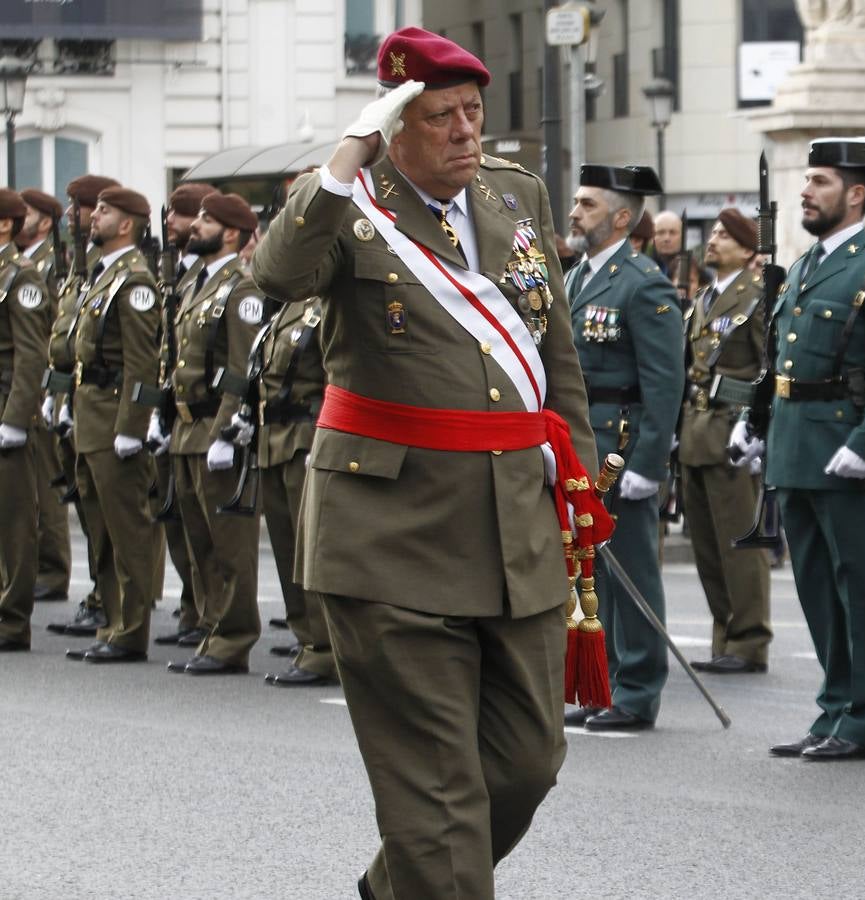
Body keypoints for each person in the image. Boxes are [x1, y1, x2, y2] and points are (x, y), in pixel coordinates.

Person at [251, 26, 604, 899]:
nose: (465, 132)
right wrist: (345, 158)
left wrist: (581, 486)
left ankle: (396, 887)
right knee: (438, 796)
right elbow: (278, 273)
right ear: (396, 128)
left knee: (525, 764)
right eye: (440, 116)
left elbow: (555, 360)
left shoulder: (517, 197)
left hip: (515, 527)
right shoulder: (347, 203)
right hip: (390, 533)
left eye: (474, 112)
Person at [732, 136, 865, 761]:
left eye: (819, 181)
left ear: (856, 193)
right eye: (808, 180)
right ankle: (834, 707)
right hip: (798, 447)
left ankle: (863, 718)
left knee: (859, 588)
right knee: (817, 588)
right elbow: (782, 361)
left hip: (847, 451)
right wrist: (757, 424)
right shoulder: (808, 265)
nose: (805, 191)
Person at [564, 163, 685, 730]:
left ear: (618, 216)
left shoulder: (644, 282)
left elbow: (664, 382)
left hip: (622, 446)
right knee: (592, 571)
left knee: (630, 568)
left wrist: (650, 463)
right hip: (583, 443)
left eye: (586, 204)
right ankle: (602, 683)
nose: (574, 213)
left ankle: (636, 689)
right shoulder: (576, 279)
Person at [156, 192, 265, 675]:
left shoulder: (240, 289)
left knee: (229, 546)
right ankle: (211, 626)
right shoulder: (196, 285)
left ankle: (234, 636)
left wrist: (226, 433)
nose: (194, 226)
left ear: (232, 233)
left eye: (206, 219)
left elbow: (242, 368)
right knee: (198, 542)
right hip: (186, 429)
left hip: (214, 431)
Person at [67, 185, 165, 663]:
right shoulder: (103, 277)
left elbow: (142, 363)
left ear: (126, 224)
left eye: (104, 211)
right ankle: (112, 621)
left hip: (113, 418)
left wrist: (132, 425)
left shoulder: (135, 282)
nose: (93, 216)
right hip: (90, 416)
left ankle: (131, 629)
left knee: (127, 528)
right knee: (100, 527)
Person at [228, 294, 337, 686]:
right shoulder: (286, 308)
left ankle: (326, 650)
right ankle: (307, 639)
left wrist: (326, 438)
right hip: (273, 439)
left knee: (310, 550)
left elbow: (334, 378)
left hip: (305, 439)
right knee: (287, 547)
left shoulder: (323, 309)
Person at [680, 208, 772, 674]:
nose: (712, 241)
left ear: (747, 247)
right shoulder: (702, 299)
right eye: (712, 233)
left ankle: (749, 641)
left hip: (732, 432)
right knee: (707, 546)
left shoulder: (756, 298)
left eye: (724, 235)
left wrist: (758, 432)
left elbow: (767, 371)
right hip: (695, 432)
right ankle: (725, 636)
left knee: (739, 543)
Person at [42, 175, 118, 640]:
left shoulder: (119, 272)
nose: (73, 217)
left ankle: (122, 609)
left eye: (82, 208)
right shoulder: (83, 267)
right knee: (92, 510)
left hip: (107, 408)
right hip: (79, 401)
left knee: (120, 518)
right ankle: (101, 597)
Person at [150, 181, 216, 645]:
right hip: (174, 412)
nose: (176, 224)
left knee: (211, 533)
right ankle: (194, 608)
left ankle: (215, 617)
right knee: (177, 521)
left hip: (204, 416)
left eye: (181, 214)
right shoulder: (177, 275)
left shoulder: (214, 279)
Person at [0, 189, 54, 651]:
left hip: (5, 409)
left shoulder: (21, 277)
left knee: (13, 520)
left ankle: (11, 621)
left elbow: (31, 354)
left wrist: (16, 418)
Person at [18, 188, 71, 605]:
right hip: (34, 386)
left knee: (46, 482)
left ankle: (52, 570)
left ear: (46, 222)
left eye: (28, 212)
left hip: (42, 385)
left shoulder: (50, 264)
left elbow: (51, 331)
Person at [651, 209, 684, 274]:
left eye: (672, 233)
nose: (667, 238)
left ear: (682, 236)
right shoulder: (641, 267)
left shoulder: (694, 272)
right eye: (661, 232)